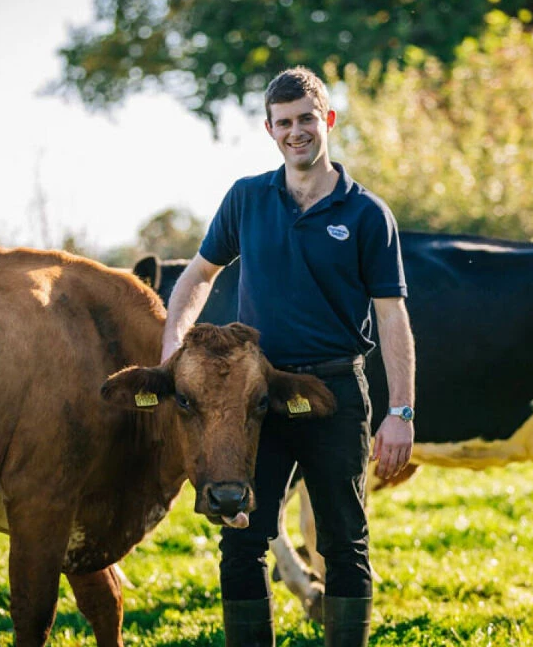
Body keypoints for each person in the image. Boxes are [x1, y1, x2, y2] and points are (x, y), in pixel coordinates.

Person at [161, 66, 415, 647]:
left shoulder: (367, 214)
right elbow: (198, 275)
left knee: (343, 539)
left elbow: (392, 316)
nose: (296, 131)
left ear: (326, 120)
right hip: (257, 398)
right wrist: (173, 346)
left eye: (306, 119)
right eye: (284, 123)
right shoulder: (247, 198)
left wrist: (400, 411)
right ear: (269, 130)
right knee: (242, 537)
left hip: (336, 394)